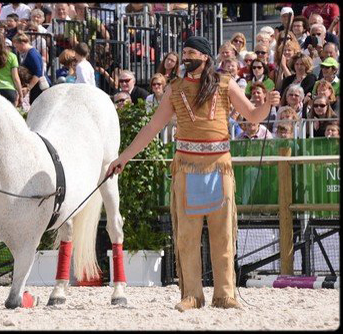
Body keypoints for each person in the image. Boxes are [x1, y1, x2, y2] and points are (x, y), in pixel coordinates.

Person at [107, 36, 280, 312]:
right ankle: (191, 294)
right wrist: (124, 157)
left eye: (191, 53)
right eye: (184, 52)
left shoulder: (225, 83)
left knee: (222, 234)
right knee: (187, 235)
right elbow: (152, 127)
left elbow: (254, 116)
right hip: (186, 168)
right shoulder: (174, 88)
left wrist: (268, 104)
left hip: (219, 166)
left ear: (205, 57)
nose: (186, 57)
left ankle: (225, 294)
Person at [12, 32, 51, 105]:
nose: (17, 49)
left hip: (39, 87)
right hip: (35, 87)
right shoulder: (28, 53)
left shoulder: (32, 54)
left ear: (22, 43)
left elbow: (38, 73)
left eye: (17, 46)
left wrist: (28, 88)